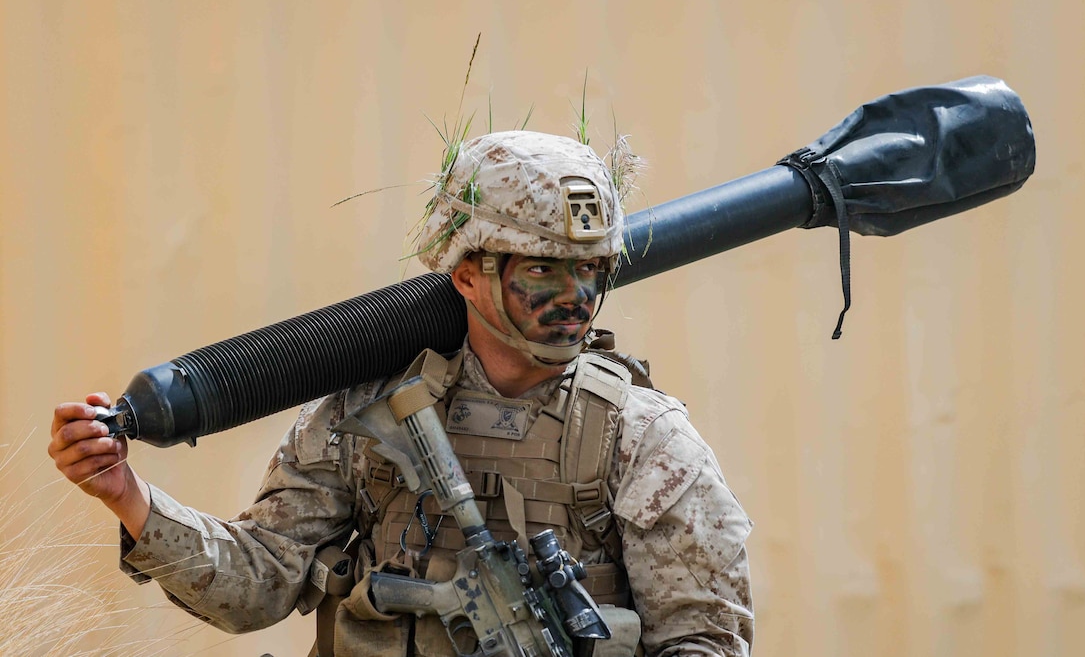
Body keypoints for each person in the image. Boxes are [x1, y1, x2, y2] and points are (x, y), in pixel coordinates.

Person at [49, 130, 754, 656]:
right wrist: (127, 495)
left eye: (591, 272)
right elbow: (258, 581)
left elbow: (705, 639)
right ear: (468, 273)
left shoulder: (643, 438)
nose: (576, 299)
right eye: (544, 270)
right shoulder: (364, 411)